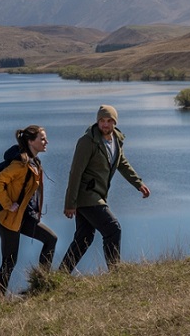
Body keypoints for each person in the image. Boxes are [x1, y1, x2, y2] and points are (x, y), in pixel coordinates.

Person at [58, 104, 149, 274]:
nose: (105, 124)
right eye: (101, 121)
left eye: (109, 121)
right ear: (97, 121)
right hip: (86, 195)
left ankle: (61, 275)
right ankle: (115, 273)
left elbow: (122, 163)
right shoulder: (87, 142)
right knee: (113, 228)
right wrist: (70, 203)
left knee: (84, 238)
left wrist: (139, 184)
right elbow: (75, 173)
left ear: (114, 122)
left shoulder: (116, 140)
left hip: (99, 194)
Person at [0, 124, 57, 297]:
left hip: (24, 218)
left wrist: (37, 212)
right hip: (9, 220)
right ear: (30, 141)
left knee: (51, 239)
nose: (46, 141)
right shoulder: (20, 164)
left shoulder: (34, 162)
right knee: (9, 262)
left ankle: (40, 285)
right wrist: (7, 204)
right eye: (42, 139)